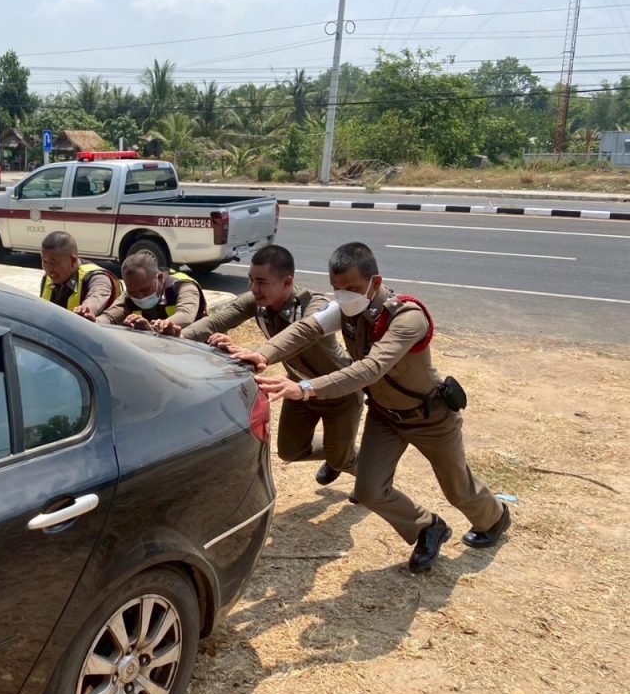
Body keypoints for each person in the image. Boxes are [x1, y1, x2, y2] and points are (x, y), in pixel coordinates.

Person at [251, 242, 511, 573]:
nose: (343, 296)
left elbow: (371, 368)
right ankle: (428, 527)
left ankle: (494, 518)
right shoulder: (346, 310)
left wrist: (305, 388)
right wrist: (262, 354)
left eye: (351, 288)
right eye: (337, 289)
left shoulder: (407, 317)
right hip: (385, 417)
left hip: (429, 416)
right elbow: (306, 329)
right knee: (369, 490)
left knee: (458, 489)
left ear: (375, 282)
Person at [180, 244, 362, 484]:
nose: (254, 289)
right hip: (297, 389)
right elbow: (214, 322)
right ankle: (337, 452)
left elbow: (299, 335)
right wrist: (176, 336)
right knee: (290, 451)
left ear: (287, 283)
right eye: (251, 280)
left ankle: (364, 472)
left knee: (343, 460)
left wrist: (258, 354)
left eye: (262, 282)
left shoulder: (314, 306)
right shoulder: (257, 302)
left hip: (337, 391)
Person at [96, 251, 207, 334]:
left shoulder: (184, 286)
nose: (140, 297)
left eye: (145, 290)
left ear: (159, 278)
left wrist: (154, 327)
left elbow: (186, 315)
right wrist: (93, 322)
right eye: (133, 293)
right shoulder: (129, 295)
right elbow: (110, 316)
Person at [39, 231, 120, 320]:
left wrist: (86, 309)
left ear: (73, 261)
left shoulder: (97, 277)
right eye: (45, 261)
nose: (49, 269)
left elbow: (98, 294)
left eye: (53, 263)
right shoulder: (49, 277)